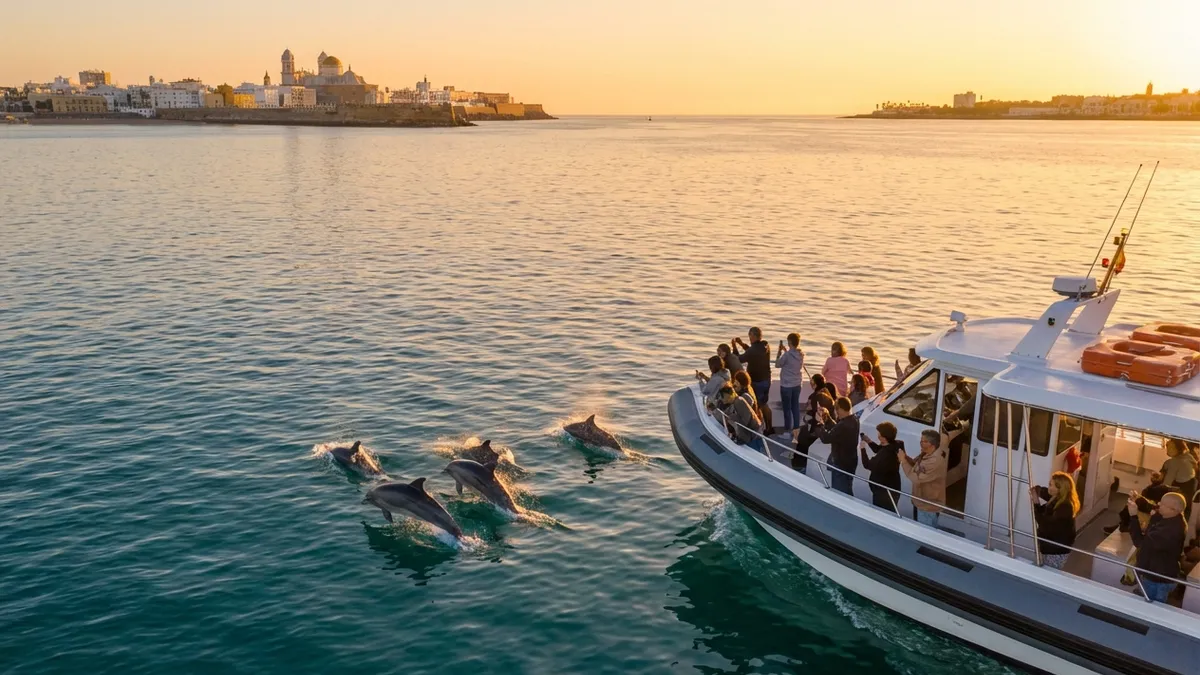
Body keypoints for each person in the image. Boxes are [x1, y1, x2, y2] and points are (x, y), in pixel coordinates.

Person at [1127, 490, 1188, 603]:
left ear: (1173, 509)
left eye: (1162, 504)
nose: (1159, 504)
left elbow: (1139, 542)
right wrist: (1138, 498)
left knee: (1149, 606)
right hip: (1158, 574)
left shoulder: (1169, 532)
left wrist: (1133, 516)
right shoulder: (1174, 517)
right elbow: (1154, 508)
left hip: (1156, 580)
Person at [1030, 472, 1079, 570]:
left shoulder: (1065, 507)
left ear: (1060, 488)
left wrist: (1036, 503)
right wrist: (1037, 490)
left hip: (1056, 550)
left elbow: (1044, 523)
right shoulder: (1058, 499)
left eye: (1051, 485)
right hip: (1052, 547)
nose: (1049, 487)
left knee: (1048, 572)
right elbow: (1046, 494)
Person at [900, 429, 947, 528]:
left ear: (932, 444)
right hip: (919, 501)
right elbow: (915, 465)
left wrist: (903, 461)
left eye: (924, 441)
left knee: (923, 531)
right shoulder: (926, 453)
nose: (921, 443)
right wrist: (905, 457)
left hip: (928, 506)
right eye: (921, 441)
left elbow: (916, 478)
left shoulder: (934, 460)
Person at [816, 397, 860, 495]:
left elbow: (826, 438)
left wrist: (820, 424)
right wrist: (827, 418)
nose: (836, 412)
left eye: (837, 409)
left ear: (840, 409)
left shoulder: (843, 425)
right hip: (851, 461)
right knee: (847, 489)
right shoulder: (854, 419)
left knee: (840, 493)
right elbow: (837, 430)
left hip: (841, 464)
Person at [1104, 471, 1170, 535]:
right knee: (1133, 504)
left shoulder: (1155, 490)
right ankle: (1123, 525)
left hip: (1150, 513)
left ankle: (1124, 526)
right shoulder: (1161, 490)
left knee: (1133, 506)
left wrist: (1137, 499)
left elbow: (1149, 503)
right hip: (1151, 508)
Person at [860, 422, 903, 513]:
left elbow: (867, 464)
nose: (878, 436)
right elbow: (879, 449)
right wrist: (869, 441)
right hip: (893, 487)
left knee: (882, 513)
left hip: (883, 493)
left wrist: (862, 449)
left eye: (879, 434)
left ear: (883, 437)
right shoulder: (896, 444)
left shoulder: (885, 455)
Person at [717, 384, 765, 455]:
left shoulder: (739, 401)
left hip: (754, 437)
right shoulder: (738, 401)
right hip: (755, 434)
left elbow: (745, 421)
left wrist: (739, 435)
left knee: (755, 455)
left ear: (729, 395)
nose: (722, 399)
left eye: (722, 396)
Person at [732, 328, 771, 408]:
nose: (749, 338)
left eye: (749, 335)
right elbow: (751, 351)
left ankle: (759, 415)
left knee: (756, 405)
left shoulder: (752, 351)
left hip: (756, 382)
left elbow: (739, 359)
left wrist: (734, 347)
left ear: (753, 336)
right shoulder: (765, 345)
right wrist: (742, 344)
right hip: (766, 380)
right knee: (763, 403)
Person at [775, 333, 805, 434]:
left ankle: (787, 432)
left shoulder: (787, 355)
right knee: (795, 407)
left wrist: (779, 352)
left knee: (787, 409)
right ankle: (796, 430)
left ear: (790, 342)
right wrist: (785, 350)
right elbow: (791, 357)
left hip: (786, 385)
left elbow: (777, 364)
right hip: (797, 384)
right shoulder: (800, 354)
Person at [1162, 439, 1197, 518]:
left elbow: (1166, 484)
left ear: (1178, 448)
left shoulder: (1175, 462)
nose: (1168, 449)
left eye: (1171, 447)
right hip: (1191, 487)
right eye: (1167, 446)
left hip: (1183, 490)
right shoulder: (1188, 456)